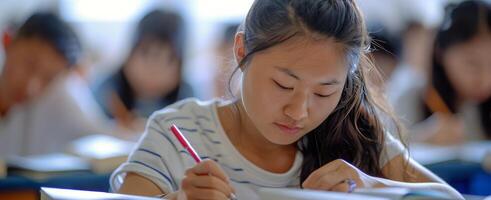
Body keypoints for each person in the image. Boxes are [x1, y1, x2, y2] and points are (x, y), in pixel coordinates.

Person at [110, 1, 463, 199]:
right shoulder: (179, 132)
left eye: (325, 91)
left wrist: (374, 185)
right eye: (283, 84)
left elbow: (450, 198)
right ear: (242, 51)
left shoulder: (353, 132)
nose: (299, 111)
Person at [0, 12, 108, 156]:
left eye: (48, 78)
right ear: (7, 41)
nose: (31, 88)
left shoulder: (55, 97)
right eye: (29, 65)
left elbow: (98, 134)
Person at [388, 0, 491, 145]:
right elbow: (381, 155)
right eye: (472, 64)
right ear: (440, 52)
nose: (486, 78)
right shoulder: (410, 95)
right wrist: (421, 139)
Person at [94, 9, 194, 133]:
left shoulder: (188, 98)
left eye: (169, 60)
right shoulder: (105, 90)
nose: (155, 70)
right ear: (130, 53)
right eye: (146, 54)